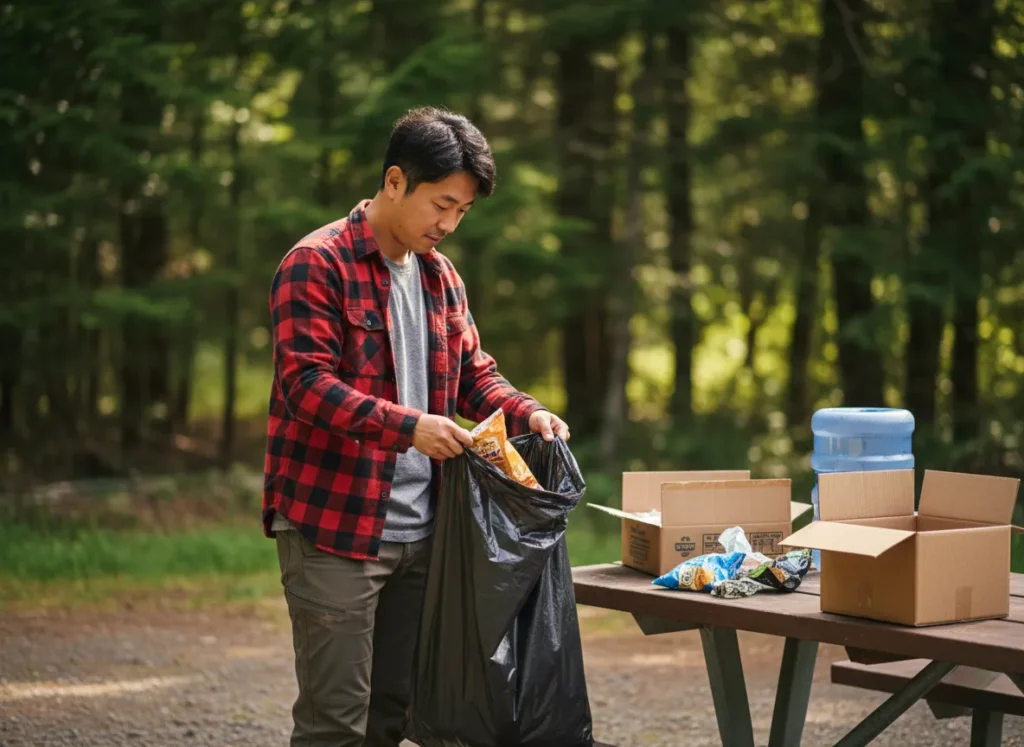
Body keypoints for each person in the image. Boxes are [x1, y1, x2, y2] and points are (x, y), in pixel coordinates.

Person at [262, 106, 570, 747]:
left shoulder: (439, 276)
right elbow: (306, 385)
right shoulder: (316, 264)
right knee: (334, 726)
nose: (449, 225)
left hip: (425, 532)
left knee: (393, 717)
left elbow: (472, 377)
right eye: (443, 204)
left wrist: (528, 411)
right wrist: (410, 429)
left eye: (462, 212)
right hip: (334, 527)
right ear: (395, 181)